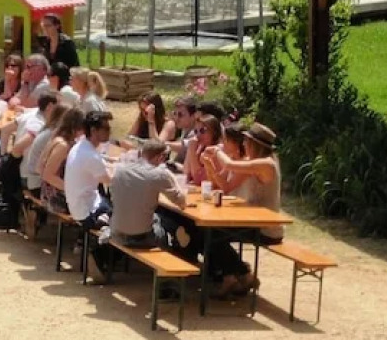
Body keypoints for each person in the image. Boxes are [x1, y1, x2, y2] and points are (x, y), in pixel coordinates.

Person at [198, 123, 284, 296]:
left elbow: (229, 165)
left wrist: (216, 151)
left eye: (246, 141)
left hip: (266, 228)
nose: (244, 145)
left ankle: (236, 276)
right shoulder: (257, 162)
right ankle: (239, 274)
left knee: (212, 232)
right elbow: (224, 182)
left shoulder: (266, 164)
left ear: (254, 144)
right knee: (206, 229)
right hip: (252, 221)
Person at [107, 138, 186, 249]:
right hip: (142, 237)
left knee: (154, 217)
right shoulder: (158, 174)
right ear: (161, 157)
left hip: (116, 231)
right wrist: (170, 175)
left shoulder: (120, 168)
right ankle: (181, 257)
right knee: (170, 225)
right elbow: (181, 202)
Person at [64, 111, 115, 234]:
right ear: (93, 130)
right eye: (106, 128)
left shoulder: (80, 146)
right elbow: (111, 181)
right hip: (86, 213)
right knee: (124, 210)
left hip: (76, 205)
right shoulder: (91, 156)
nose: (109, 131)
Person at [40, 106, 86, 215]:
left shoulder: (57, 138)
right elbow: (48, 175)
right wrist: (72, 189)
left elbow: (39, 167)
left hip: (52, 193)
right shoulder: (62, 146)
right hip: (55, 199)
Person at [184, 115, 223, 186]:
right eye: (196, 131)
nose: (198, 135)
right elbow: (186, 172)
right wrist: (190, 150)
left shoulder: (218, 150)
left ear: (214, 132)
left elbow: (199, 179)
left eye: (202, 131)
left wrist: (192, 150)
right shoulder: (201, 148)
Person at [38, 12, 79, 78]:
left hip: (65, 77)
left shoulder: (67, 42)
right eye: (43, 25)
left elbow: (74, 64)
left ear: (57, 26)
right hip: (50, 77)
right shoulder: (44, 42)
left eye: (48, 26)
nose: (45, 28)